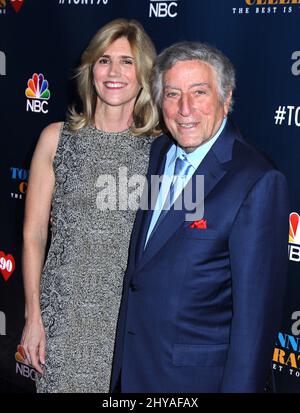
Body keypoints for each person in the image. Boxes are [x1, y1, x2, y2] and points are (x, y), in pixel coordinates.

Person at [111, 41, 290, 393]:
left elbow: (253, 325)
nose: (185, 108)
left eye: (199, 92)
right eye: (173, 94)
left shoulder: (256, 180)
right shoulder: (160, 152)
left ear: (226, 99)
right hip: (133, 371)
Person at [21, 18, 160, 393]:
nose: (114, 72)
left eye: (127, 62)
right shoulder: (55, 139)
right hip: (63, 316)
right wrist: (33, 315)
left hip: (129, 322)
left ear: (144, 74)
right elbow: (34, 233)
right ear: (90, 69)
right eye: (104, 60)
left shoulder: (160, 151)